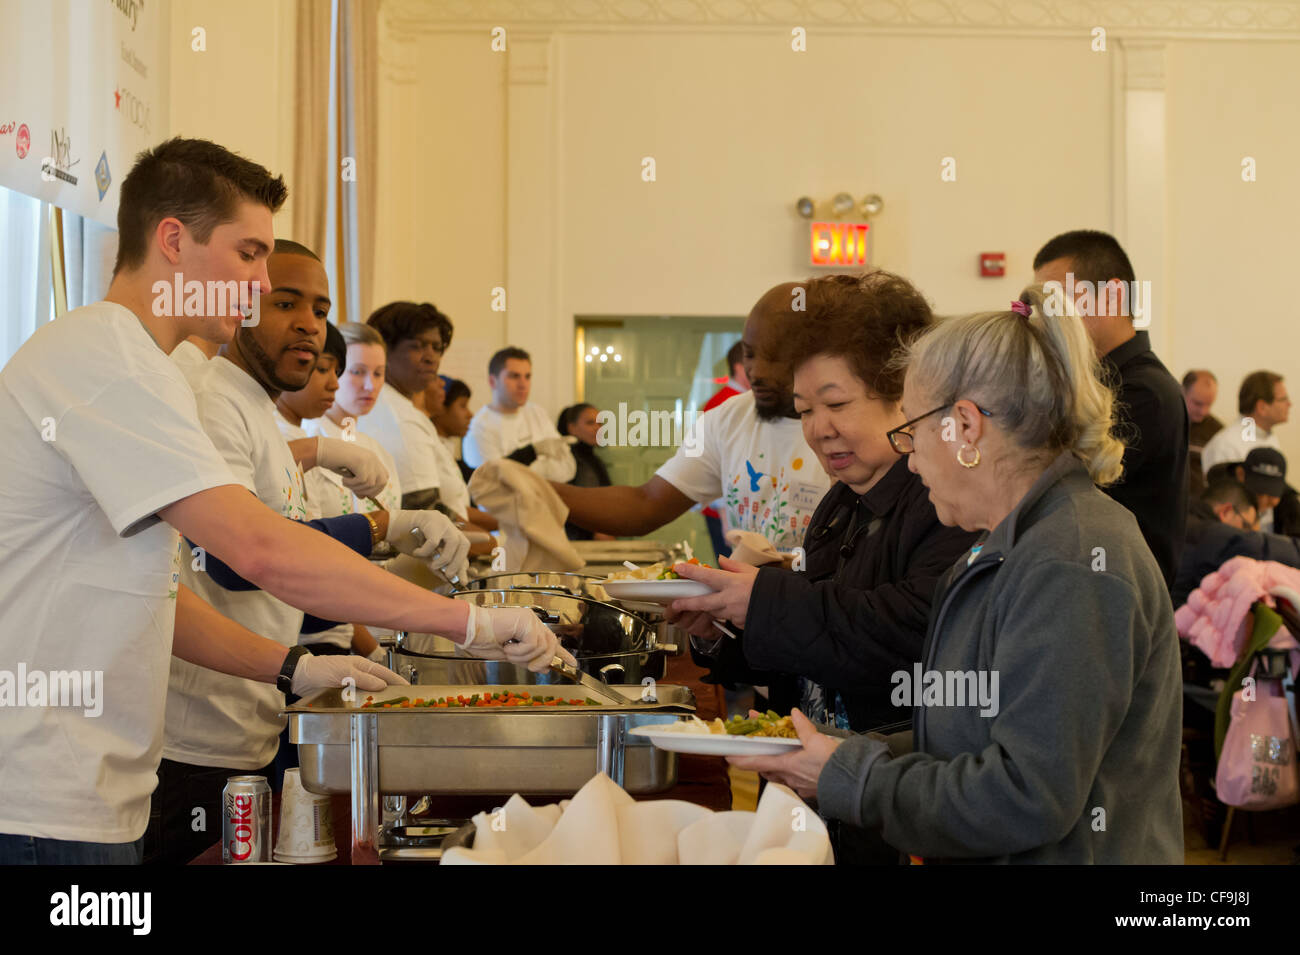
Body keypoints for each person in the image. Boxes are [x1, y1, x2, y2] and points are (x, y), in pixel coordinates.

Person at [0, 138, 567, 865]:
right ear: (173, 240)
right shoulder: (107, 358)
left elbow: (158, 598)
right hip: (45, 797)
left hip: (97, 792)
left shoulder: (148, 369)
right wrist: (469, 621)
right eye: (248, 255)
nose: (260, 284)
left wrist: (290, 667)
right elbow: (260, 548)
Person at [726, 289, 1184, 863]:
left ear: (965, 428)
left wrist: (855, 777)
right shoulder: (1012, 542)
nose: (910, 459)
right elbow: (967, 734)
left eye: (912, 432)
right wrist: (837, 752)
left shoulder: (1069, 561)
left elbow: (1025, 797)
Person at [150, 241, 482, 864]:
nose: (309, 323)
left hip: (249, 719)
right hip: (198, 735)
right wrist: (386, 532)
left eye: (321, 307)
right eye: (285, 302)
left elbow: (291, 553)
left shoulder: (259, 410)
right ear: (242, 303)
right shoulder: (215, 399)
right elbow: (237, 559)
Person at [553, 283, 834, 554]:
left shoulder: (844, 428)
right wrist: (540, 491)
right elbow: (645, 504)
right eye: (749, 353)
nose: (755, 371)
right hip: (749, 601)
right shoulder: (726, 420)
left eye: (772, 357)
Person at [1032, 229, 1187, 590]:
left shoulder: (1144, 391)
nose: (1048, 320)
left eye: (1061, 302)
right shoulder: (1093, 381)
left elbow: (1059, 488)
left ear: (1114, 295)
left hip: (1117, 595)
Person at [1172, 477, 1300, 609]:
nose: (1246, 534)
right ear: (1226, 511)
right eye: (1246, 528)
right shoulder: (1209, 533)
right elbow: (1255, 546)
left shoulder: (1180, 517)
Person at [462, 347, 577, 482]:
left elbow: (568, 469)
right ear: (493, 381)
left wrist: (523, 467)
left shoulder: (537, 413)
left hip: (546, 500)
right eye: (514, 376)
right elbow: (494, 482)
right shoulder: (479, 428)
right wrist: (539, 460)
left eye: (527, 376)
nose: (523, 384)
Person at [701, 340, 750, 557]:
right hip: (725, 509)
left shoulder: (734, 400)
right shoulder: (727, 403)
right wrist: (724, 513)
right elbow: (718, 461)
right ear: (739, 367)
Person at [1201, 370, 1290, 476]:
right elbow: (1222, 492)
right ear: (1262, 407)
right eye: (1283, 399)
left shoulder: (1269, 438)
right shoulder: (1226, 446)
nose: (1289, 404)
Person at [557, 402, 614, 541]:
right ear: (572, 428)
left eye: (600, 423)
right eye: (590, 423)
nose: (597, 428)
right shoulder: (569, 461)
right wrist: (599, 531)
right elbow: (583, 503)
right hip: (579, 542)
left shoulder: (593, 460)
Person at [1182, 369, 1222, 498]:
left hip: (1198, 503)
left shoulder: (1217, 432)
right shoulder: (1164, 419)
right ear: (1182, 391)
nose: (1203, 411)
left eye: (1209, 405)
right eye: (1198, 404)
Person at [433, 377, 476, 484]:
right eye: (463, 406)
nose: (470, 415)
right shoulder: (432, 453)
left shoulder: (449, 452)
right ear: (441, 406)